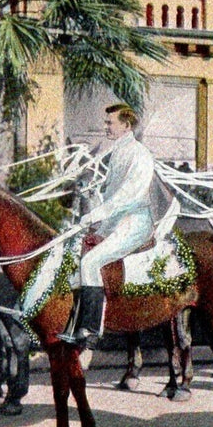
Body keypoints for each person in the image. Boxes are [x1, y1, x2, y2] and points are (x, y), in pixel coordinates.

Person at [58, 104, 156, 347]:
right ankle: (71, 321)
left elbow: (126, 197)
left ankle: (90, 329)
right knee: (76, 253)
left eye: (110, 123)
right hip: (116, 223)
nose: (105, 127)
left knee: (90, 262)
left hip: (136, 222)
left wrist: (94, 217)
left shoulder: (139, 154)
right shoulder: (118, 153)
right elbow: (110, 196)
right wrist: (99, 229)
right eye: (106, 122)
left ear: (126, 125)